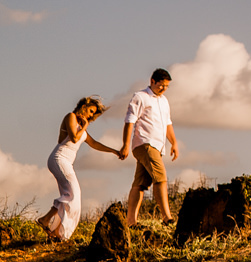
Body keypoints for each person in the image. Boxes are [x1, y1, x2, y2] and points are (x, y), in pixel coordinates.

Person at [37, 96, 121, 242]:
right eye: (90, 111)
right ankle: (56, 228)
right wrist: (85, 125)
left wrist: (114, 151)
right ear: (83, 105)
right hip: (59, 159)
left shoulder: (82, 128)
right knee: (74, 193)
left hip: (66, 162)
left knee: (70, 195)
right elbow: (74, 138)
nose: (90, 115)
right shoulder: (71, 117)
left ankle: (52, 227)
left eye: (92, 114)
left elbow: (94, 143)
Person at [121, 68, 178, 225]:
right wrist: (125, 145)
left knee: (140, 183)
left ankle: (131, 221)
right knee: (161, 177)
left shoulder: (164, 101)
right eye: (161, 85)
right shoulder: (140, 97)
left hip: (157, 147)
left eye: (166, 86)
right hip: (145, 143)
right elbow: (130, 121)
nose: (164, 89)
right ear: (152, 81)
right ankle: (167, 217)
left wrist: (174, 143)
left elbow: (168, 123)